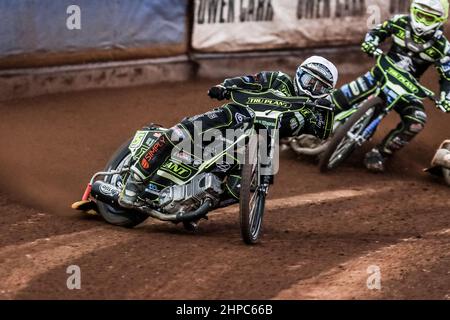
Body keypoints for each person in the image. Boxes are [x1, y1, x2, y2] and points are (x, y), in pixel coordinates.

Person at [118, 56, 339, 208]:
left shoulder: (311, 110)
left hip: (256, 144)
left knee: (235, 191)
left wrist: (329, 108)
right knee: (178, 133)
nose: (311, 88)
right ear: (299, 74)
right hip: (233, 115)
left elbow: (323, 131)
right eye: (309, 81)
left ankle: (193, 202)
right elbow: (250, 80)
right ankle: (135, 182)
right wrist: (225, 86)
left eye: (319, 87)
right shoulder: (278, 79)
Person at [332, 0, 450, 172]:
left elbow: (447, 76)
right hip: (379, 76)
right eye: (420, 15)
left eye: (429, 18)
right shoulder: (400, 21)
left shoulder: (443, 48)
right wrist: (370, 42)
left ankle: (379, 153)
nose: (423, 21)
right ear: (413, 10)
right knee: (338, 98)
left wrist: (447, 98)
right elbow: (377, 31)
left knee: (416, 121)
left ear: (440, 19)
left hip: (407, 88)